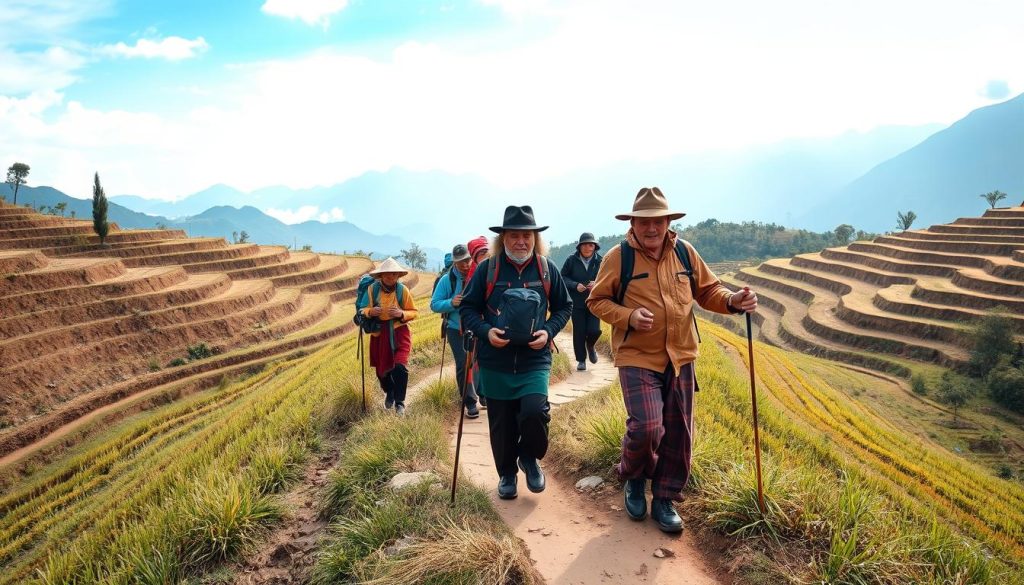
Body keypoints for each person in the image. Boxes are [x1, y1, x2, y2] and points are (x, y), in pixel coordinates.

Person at [587, 187, 758, 533]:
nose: (652, 228)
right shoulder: (618, 258)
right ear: (633, 223)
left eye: (659, 221)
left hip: (680, 354)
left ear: (668, 222)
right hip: (637, 355)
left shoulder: (684, 252)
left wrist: (734, 302)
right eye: (645, 221)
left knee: (679, 432)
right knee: (647, 426)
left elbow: (708, 290)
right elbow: (596, 301)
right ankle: (634, 477)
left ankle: (665, 497)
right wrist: (628, 316)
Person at [460, 205, 573, 499]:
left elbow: (565, 306)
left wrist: (548, 330)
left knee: (535, 412)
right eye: (514, 236)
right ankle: (507, 474)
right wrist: (486, 332)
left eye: (527, 236)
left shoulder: (547, 270)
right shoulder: (488, 269)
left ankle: (530, 457)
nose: (521, 242)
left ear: (535, 238)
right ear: (503, 239)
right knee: (502, 423)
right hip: (495, 360)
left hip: (534, 359)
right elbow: (468, 309)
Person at [360, 257, 419, 415]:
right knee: (381, 371)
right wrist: (371, 311)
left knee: (400, 366)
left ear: (398, 276)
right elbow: (362, 309)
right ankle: (389, 392)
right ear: (381, 276)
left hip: (400, 331)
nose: (390, 278)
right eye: (387, 275)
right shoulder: (372, 290)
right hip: (380, 333)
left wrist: (401, 313)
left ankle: (400, 402)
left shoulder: (402, 291)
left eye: (394, 275)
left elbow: (414, 312)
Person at [430, 243, 481, 418]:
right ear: (454, 263)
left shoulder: (478, 274)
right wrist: (452, 303)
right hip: (455, 329)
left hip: (477, 326)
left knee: (478, 361)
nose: (465, 265)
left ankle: (483, 393)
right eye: (460, 262)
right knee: (463, 363)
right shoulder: (447, 280)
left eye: (467, 260)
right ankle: (470, 402)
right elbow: (434, 305)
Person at [560, 232, 604, 371]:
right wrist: (575, 285)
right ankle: (581, 360)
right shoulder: (571, 260)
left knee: (594, 330)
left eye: (590, 245)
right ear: (579, 247)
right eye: (584, 245)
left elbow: (608, 279)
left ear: (594, 247)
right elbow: (563, 278)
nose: (587, 248)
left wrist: (597, 283)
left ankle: (590, 346)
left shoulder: (601, 261)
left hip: (594, 302)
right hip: (577, 302)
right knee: (579, 332)